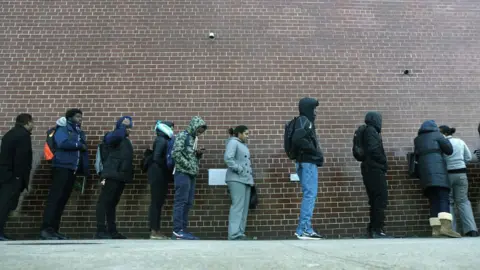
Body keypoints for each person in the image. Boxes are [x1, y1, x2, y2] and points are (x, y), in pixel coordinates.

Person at [40, 109, 89, 240]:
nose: (80, 118)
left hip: (72, 169)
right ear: (70, 117)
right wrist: (79, 145)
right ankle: (46, 229)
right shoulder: (63, 127)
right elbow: (62, 142)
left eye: (81, 116)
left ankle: (54, 229)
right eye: (77, 116)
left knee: (62, 200)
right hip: (61, 167)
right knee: (55, 199)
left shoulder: (78, 131)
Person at [414, 120, 460, 238]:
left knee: (433, 200)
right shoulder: (437, 135)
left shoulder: (417, 140)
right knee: (443, 198)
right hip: (438, 172)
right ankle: (446, 228)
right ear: (434, 127)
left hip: (425, 175)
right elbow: (449, 150)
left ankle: (435, 230)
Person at [95, 116, 134, 239]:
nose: (129, 130)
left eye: (129, 127)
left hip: (121, 176)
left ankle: (112, 230)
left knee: (112, 204)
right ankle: (101, 230)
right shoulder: (111, 136)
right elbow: (115, 137)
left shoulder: (125, 141)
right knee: (104, 202)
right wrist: (122, 125)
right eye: (127, 127)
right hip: (111, 174)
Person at [291, 97, 324, 240]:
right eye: (314, 109)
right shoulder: (305, 121)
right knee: (310, 195)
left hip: (302, 162)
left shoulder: (301, 121)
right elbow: (298, 139)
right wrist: (314, 152)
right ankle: (304, 228)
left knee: (308, 194)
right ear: (308, 108)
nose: (315, 112)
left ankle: (302, 228)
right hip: (308, 162)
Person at [171, 116, 207, 240]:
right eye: (198, 130)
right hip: (182, 173)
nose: (199, 133)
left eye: (201, 132)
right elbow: (175, 153)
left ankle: (183, 230)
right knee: (181, 202)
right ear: (193, 126)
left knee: (188, 202)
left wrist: (197, 154)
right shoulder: (183, 136)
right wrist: (189, 165)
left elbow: (189, 155)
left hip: (191, 174)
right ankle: (177, 230)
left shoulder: (193, 138)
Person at [439, 125, 478, 237]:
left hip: (448, 175)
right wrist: (461, 164)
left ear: (444, 134)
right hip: (461, 173)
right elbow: (468, 157)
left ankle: (452, 230)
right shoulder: (460, 141)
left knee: (449, 202)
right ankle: (471, 230)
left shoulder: (442, 144)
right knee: (463, 201)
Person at [0, 114, 34, 241]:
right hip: (14, 177)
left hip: (5, 174)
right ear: (27, 122)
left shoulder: (10, 134)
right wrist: (19, 177)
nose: (33, 126)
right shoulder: (23, 136)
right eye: (32, 123)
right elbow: (22, 159)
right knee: (5, 205)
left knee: (3, 203)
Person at [361, 112, 390, 238]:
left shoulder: (367, 131)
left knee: (375, 200)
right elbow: (373, 150)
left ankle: (373, 229)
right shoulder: (371, 131)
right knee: (380, 199)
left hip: (369, 168)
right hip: (374, 168)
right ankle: (377, 229)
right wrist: (383, 161)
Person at [224, 125, 254, 240]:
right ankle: (233, 234)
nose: (248, 136)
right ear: (239, 133)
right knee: (237, 206)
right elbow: (228, 158)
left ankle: (240, 232)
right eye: (246, 133)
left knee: (244, 207)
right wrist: (239, 168)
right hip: (236, 179)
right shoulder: (233, 142)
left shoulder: (242, 144)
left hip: (245, 179)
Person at [148, 120, 174, 240]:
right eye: (171, 128)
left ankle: (156, 230)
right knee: (156, 203)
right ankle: (154, 231)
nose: (173, 130)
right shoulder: (161, 140)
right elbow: (156, 158)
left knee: (158, 203)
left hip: (160, 174)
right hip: (158, 174)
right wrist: (167, 167)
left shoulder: (163, 139)